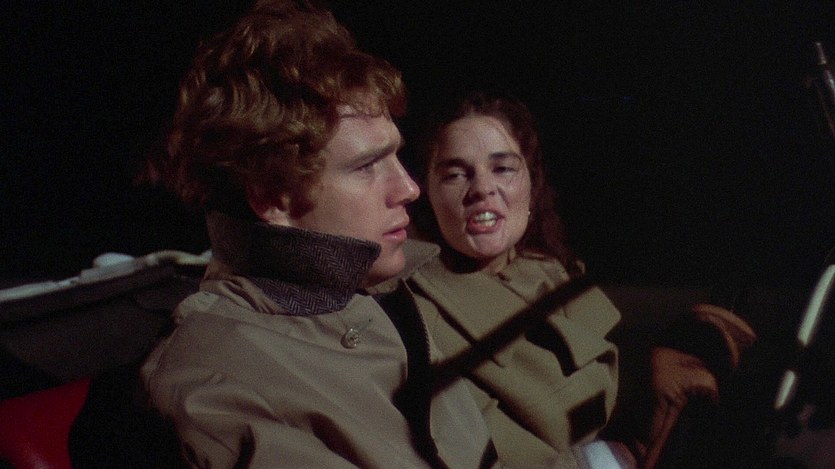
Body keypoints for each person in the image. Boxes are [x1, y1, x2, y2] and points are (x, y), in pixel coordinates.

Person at [138, 2, 498, 467]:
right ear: (273, 197)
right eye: (367, 166)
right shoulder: (212, 384)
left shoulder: (379, 294)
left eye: (395, 156)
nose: (409, 188)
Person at [402, 90, 757, 468]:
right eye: (455, 174)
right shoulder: (415, 317)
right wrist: (623, 452)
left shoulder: (548, 270)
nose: (483, 189)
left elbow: (608, 389)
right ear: (426, 193)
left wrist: (662, 379)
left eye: (503, 169)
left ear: (531, 183)